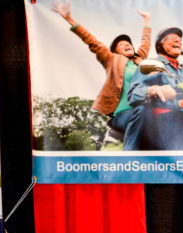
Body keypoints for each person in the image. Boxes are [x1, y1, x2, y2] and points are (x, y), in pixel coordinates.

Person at [51, 2, 151, 142]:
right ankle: (118, 139)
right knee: (144, 116)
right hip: (123, 114)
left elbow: (145, 42)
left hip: (143, 110)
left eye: (129, 43)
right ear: (116, 51)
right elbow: (91, 40)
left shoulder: (139, 60)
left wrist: (147, 19)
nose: (127, 44)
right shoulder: (111, 59)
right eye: (122, 44)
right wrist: (69, 18)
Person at [124, 26, 183, 151]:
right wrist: (152, 90)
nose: (177, 41)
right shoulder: (152, 65)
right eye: (171, 38)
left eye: (180, 40)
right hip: (165, 121)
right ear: (160, 45)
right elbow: (133, 94)